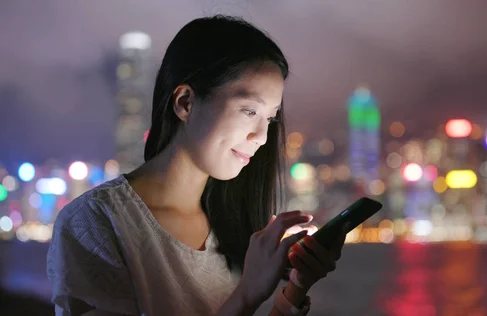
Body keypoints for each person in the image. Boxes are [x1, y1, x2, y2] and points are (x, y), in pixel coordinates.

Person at [47, 15, 345, 316]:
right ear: (185, 102)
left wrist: (296, 286)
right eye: (249, 110)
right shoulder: (95, 222)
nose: (262, 137)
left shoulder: (229, 222)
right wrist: (248, 292)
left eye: (270, 118)